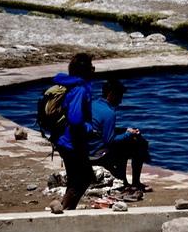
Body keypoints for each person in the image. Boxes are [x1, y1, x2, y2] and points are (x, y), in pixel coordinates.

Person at [88, 79, 151, 192]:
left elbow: (99, 129)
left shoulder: (93, 104)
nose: (120, 101)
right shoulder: (109, 113)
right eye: (119, 97)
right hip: (97, 155)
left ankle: (125, 180)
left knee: (129, 140)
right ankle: (132, 182)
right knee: (138, 144)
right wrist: (128, 134)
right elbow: (110, 141)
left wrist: (125, 131)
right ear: (111, 94)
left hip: (87, 149)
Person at [53, 53, 96, 210]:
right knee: (83, 178)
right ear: (85, 70)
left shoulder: (69, 85)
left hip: (63, 139)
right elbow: (76, 119)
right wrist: (90, 128)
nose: (93, 70)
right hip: (72, 142)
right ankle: (66, 211)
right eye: (91, 67)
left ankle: (62, 209)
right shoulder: (80, 90)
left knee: (75, 180)